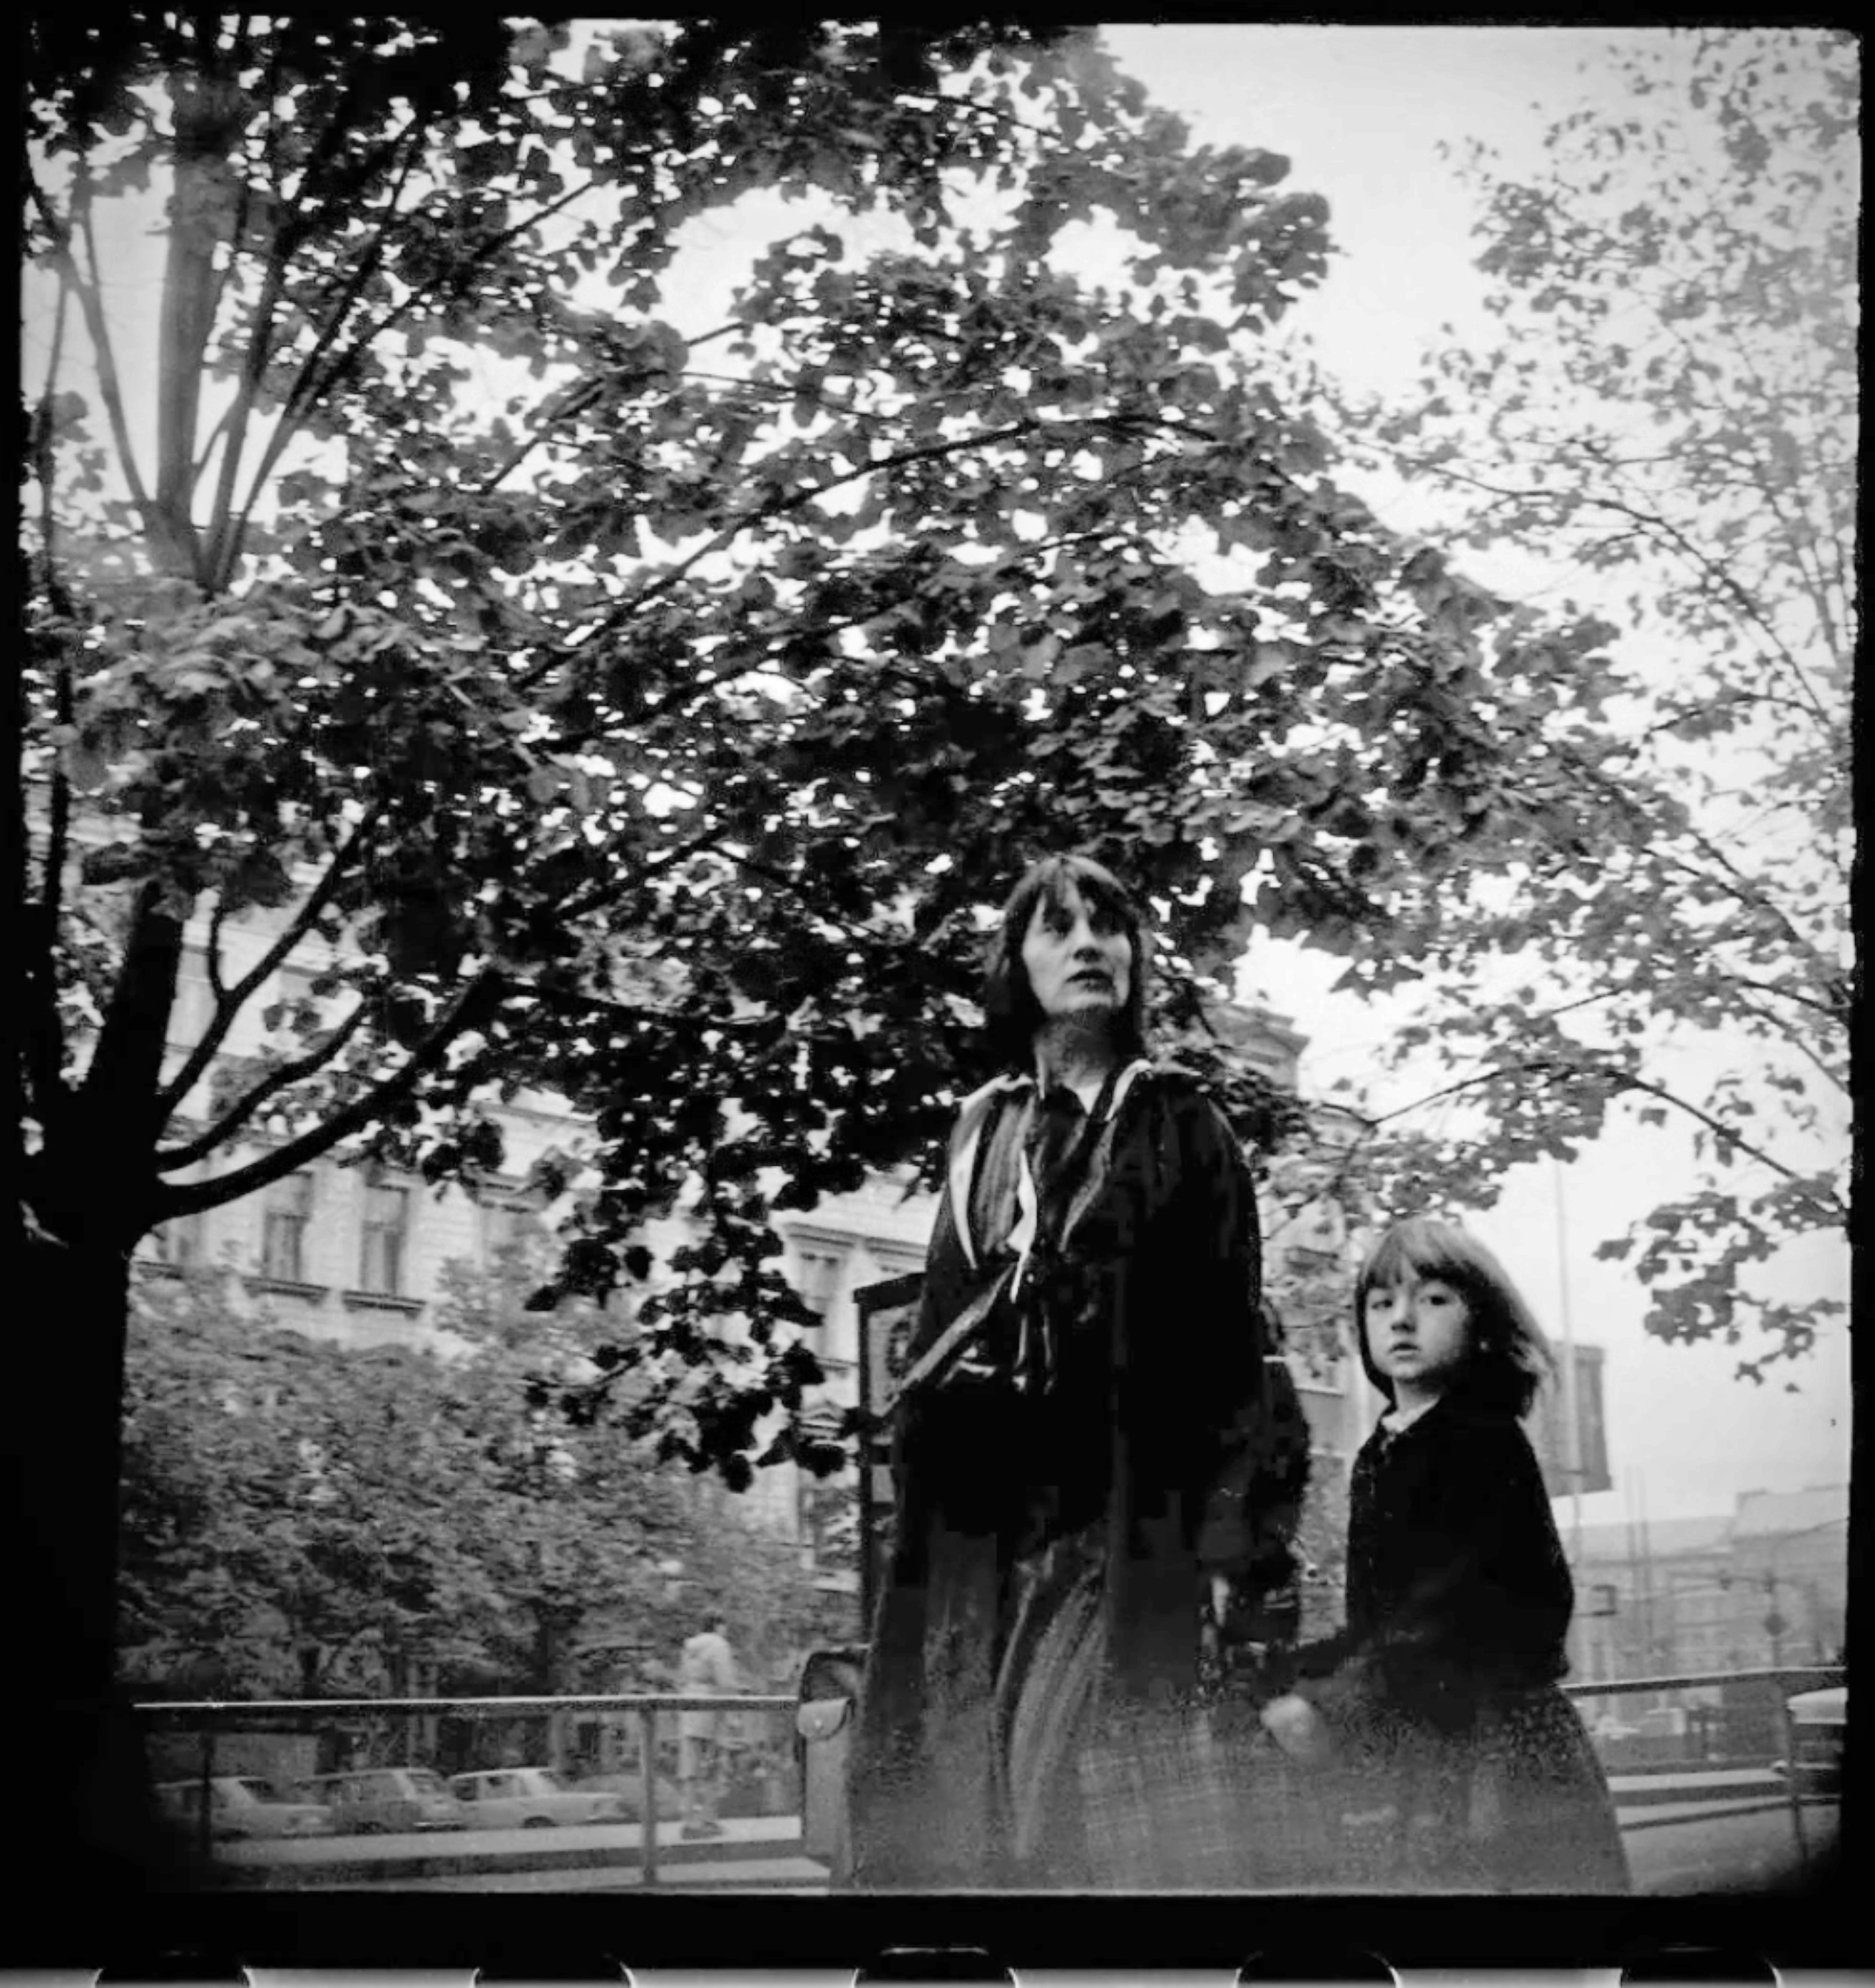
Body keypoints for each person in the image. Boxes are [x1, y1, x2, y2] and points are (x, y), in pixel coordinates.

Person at [840, 852, 1310, 1890]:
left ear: (1136, 958)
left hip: (1127, 1529)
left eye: (1108, 924)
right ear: (1017, 963)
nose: (1090, 944)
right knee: (969, 1815)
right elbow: (939, 1338)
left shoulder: (1181, 1122)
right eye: (1057, 928)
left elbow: (1235, 1366)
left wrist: (1236, 1563)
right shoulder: (982, 1132)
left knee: (1079, 1806)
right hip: (982, 1543)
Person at [1258, 1216, 1631, 1892]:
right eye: (1381, 1304)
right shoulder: (1380, 1452)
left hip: (1495, 1746)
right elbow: (1378, 1620)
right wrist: (1293, 1674)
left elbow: (1456, 1612)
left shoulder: (1481, 1441)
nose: (1401, 1319)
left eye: (1432, 1300)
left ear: (1480, 1326)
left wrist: (1332, 1703)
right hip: (1423, 1733)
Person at [678, 1612, 739, 1840]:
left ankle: (688, 1819)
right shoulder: (718, 1645)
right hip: (711, 1706)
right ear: (718, 1625)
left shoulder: (689, 1647)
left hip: (689, 1703)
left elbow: (682, 1677)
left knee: (690, 1767)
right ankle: (708, 1818)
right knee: (712, 1766)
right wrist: (733, 1714)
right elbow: (726, 1680)